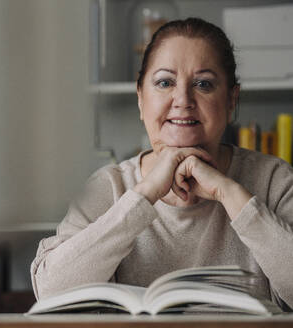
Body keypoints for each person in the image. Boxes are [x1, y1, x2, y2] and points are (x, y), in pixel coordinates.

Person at [30, 17, 293, 311]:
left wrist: (229, 194)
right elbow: (51, 293)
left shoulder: (275, 180)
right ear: (141, 98)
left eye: (203, 84)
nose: (182, 100)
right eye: (165, 83)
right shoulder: (106, 187)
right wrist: (144, 195)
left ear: (232, 100)